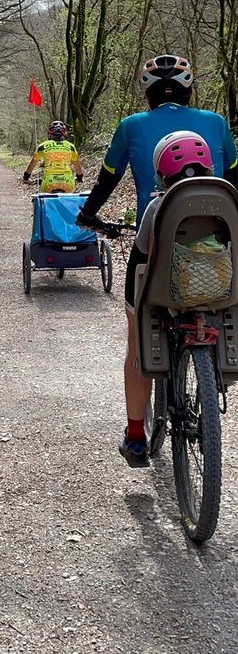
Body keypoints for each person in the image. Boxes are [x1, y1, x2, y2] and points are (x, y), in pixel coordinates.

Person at [77, 54, 238, 466]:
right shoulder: (217, 123)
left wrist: (88, 214)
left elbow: (106, 178)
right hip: (221, 244)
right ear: (189, 89)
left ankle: (134, 435)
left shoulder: (132, 126)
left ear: (147, 93)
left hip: (157, 240)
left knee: (138, 336)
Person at [22, 121, 84, 193]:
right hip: (67, 181)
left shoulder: (42, 146)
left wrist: (26, 177)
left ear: (50, 134)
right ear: (64, 134)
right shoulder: (71, 147)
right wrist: (79, 178)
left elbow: (32, 164)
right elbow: (78, 168)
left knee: (43, 200)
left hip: (48, 181)